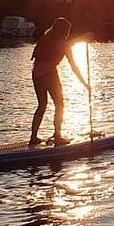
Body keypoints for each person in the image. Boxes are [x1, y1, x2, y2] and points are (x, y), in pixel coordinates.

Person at [30, 18, 90, 146]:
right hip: (49, 74)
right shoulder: (63, 44)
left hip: (36, 74)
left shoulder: (46, 38)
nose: (68, 33)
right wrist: (84, 83)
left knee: (42, 105)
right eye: (67, 30)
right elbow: (74, 66)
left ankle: (33, 137)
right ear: (64, 31)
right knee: (60, 104)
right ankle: (57, 136)